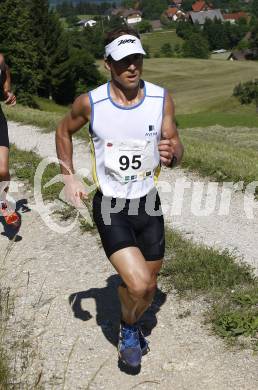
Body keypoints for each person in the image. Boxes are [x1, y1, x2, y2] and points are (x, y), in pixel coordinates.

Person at [56, 27, 184, 368]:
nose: (132, 67)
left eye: (137, 59)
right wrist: (69, 176)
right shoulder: (90, 102)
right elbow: (62, 130)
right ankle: (128, 331)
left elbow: (175, 146)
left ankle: (129, 318)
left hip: (147, 202)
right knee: (140, 284)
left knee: (149, 288)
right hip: (111, 204)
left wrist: (174, 153)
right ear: (108, 64)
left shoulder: (161, 99)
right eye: (123, 61)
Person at [0, 53, 19, 226]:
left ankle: (3, 203)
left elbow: (5, 72)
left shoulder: (1, 61)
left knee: (3, 169)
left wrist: (7, 93)